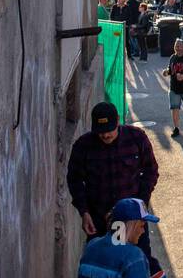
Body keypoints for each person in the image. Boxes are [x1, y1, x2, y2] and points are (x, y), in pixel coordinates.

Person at [66, 102, 160, 265]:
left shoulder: (136, 138)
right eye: (101, 132)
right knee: (104, 267)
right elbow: (74, 179)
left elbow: (151, 171)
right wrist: (84, 212)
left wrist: (141, 203)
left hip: (133, 220)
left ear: (117, 120)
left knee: (140, 263)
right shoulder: (83, 146)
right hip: (100, 221)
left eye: (109, 130)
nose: (106, 135)